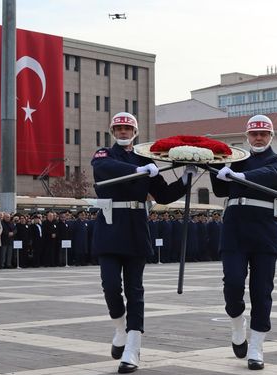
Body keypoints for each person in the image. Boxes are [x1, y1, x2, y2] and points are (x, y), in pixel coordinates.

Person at [91, 111, 193, 373]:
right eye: (119, 128)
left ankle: (133, 347)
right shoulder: (105, 154)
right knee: (110, 285)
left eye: (128, 128)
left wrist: (185, 179)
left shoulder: (146, 158)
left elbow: (164, 194)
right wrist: (137, 170)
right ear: (112, 131)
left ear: (135, 132)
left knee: (135, 289)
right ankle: (119, 328)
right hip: (111, 225)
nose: (124, 132)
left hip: (136, 226)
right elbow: (103, 171)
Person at [209, 114, 277, 370]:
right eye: (254, 134)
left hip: (264, 232)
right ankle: (237, 323)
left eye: (263, 134)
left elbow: (274, 175)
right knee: (232, 284)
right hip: (234, 230)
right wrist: (215, 168)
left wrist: (241, 177)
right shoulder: (237, 159)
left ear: (271, 137)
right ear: (247, 136)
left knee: (262, 291)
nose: (258, 138)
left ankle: (256, 346)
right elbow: (222, 190)